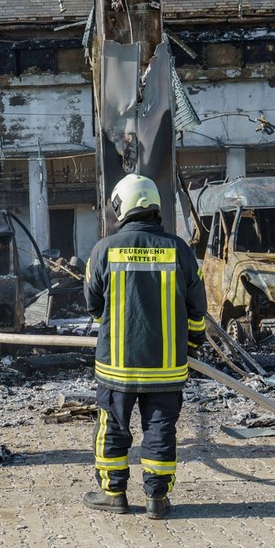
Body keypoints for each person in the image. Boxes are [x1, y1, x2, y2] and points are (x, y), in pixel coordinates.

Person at [82, 174, 207, 519]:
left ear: (122, 206)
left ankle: (113, 494)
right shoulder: (180, 250)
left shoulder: (103, 250)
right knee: (160, 430)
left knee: (112, 427)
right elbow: (198, 310)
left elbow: (93, 305)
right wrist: (193, 343)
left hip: (117, 367)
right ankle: (156, 499)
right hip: (166, 366)